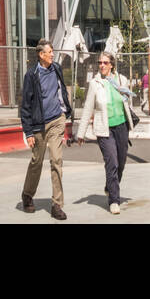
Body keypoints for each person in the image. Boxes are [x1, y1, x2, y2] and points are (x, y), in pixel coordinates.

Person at [75, 51, 134, 215]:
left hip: (122, 126)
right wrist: (81, 132)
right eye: (100, 62)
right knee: (112, 163)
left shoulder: (121, 80)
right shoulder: (95, 83)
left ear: (112, 65)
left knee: (121, 163)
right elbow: (88, 107)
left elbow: (127, 102)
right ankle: (114, 200)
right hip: (104, 129)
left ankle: (110, 186)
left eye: (105, 63)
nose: (102, 65)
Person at [19, 40, 73, 220]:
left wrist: (65, 111)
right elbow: (25, 106)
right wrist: (28, 132)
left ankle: (57, 204)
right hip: (39, 125)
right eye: (49, 52)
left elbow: (61, 90)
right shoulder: (32, 75)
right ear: (41, 55)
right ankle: (27, 194)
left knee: (57, 160)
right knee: (37, 161)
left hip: (57, 120)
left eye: (52, 51)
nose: (52, 54)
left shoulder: (56, 68)